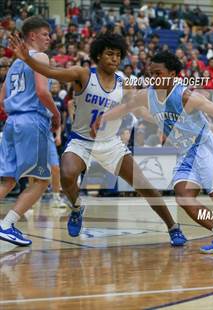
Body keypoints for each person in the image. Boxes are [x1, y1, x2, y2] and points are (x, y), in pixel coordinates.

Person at [94, 51, 213, 254]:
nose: (153, 77)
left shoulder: (186, 96)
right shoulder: (147, 94)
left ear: (172, 74)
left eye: (158, 73)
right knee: (183, 197)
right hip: (184, 153)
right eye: (151, 73)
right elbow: (127, 106)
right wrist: (103, 118)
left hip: (204, 147)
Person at [8, 32, 187, 246]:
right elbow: (52, 72)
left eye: (118, 55)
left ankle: (173, 227)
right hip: (81, 141)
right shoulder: (82, 74)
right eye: (109, 54)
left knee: (146, 186)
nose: (114, 59)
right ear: (98, 56)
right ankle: (77, 207)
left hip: (111, 144)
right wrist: (28, 58)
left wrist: (164, 125)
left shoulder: (124, 82)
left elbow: (137, 108)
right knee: (66, 175)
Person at [0, 16, 61, 246]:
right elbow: (43, 92)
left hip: (11, 122)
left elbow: (1, 99)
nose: (49, 38)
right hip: (32, 120)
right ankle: (7, 224)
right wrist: (56, 114)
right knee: (41, 181)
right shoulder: (41, 57)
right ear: (33, 36)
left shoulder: (15, 62)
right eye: (45, 34)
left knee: (8, 180)